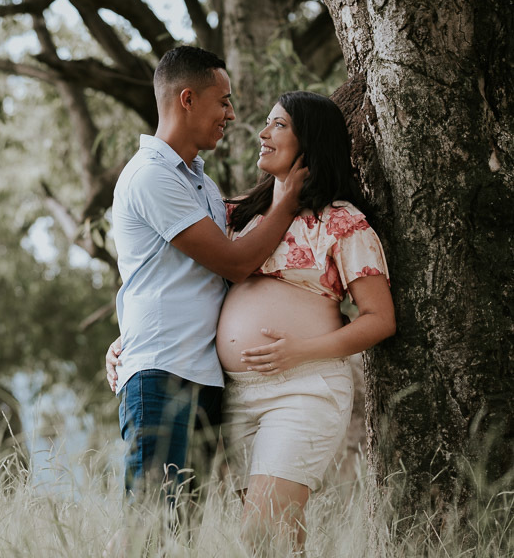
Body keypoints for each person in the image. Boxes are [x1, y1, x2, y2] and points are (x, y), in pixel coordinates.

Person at [108, 90, 396, 551]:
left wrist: (301, 349)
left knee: (260, 531)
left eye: (278, 125)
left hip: (304, 386)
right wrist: (130, 337)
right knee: (276, 540)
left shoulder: (343, 222)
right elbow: (175, 277)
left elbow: (380, 319)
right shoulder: (237, 216)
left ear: (310, 140)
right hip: (237, 396)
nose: (262, 133)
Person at [110, 46, 307, 504]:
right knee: (156, 524)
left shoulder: (202, 184)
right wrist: (287, 201)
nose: (232, 114)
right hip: (162, 373)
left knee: (184, 528)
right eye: (223, 100)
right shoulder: (150, 177)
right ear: (186, 99)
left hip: (202, 377)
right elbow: (235, 263)